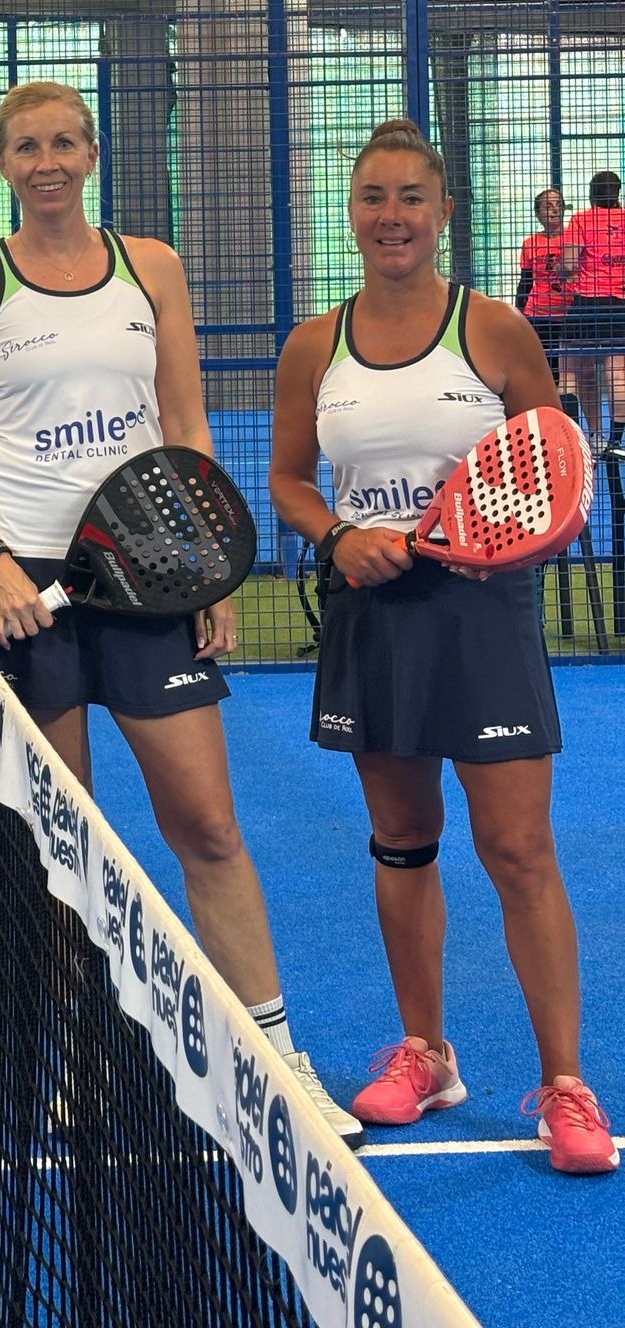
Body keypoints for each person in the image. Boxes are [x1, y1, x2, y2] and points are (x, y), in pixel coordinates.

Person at [0, 80, 360, 1147]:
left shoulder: (150, 265)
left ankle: (275, 1060)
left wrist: (209, 572)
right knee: (63, 843)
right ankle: (81, 1056)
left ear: (93, 152)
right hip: (23, 589)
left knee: (207, 823)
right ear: (3, 162)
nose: (47, 161)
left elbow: (185, 421)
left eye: (64, 141)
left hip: (151, 574)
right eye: (27, 145)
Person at [269, 118, 617, 1175]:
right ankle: (427, 1053)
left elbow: (552, 462)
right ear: (352, 214)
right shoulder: (314, 345)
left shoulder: (498, 330)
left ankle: (566, 1085)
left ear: (445, 212)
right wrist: (339, 536)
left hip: (483, 615)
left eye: (411, 197)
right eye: (373, 197)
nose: (393, 217)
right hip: (371, 613)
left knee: (517, 846)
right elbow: (289, 479)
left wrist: (487, 544)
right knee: (403, 837)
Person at [560, 168, 625, 442]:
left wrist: (565, 272)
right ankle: (614, 443)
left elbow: (569, 264)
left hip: (586, 301)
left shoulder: (582, 220)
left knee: (569, 370)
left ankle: (578, 439)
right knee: (617, 372)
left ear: (591, 194)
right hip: (619, 303)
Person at [515, 188, 575, 403]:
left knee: (568, 373)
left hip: (568, 313)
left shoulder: (574, 238)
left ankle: (567, 418)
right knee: (543, 368)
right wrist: (519, 314)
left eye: (559, 205)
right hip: (538, 313)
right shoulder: (531, 243)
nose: (554, 210)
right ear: (537, 213)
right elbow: (525, 282)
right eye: (548, 206)